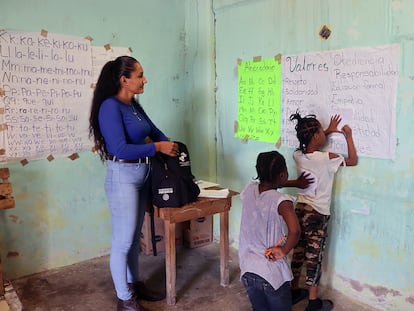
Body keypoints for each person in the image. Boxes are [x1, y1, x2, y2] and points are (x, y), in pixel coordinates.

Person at [89, 56, 178, 311]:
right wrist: (157, 147)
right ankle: (124, 299)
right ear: (124, 80)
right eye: (140, 75)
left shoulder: (134, 106)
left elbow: (155, 130)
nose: (144, 79)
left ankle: (134, 284)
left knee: (133, 237)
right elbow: (119, 148)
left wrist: (166, 142)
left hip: (142, 175)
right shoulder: (110, 107)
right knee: (123, 241)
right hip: (123, 178)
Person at [288, 111, 358, 311]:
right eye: (321, 131)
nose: (324, 133)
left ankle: (293, 291)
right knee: (314, 256)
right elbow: (352, 160)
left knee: (299, 251)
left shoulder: (297, 155)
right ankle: (313, 301)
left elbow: (310, 142)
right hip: (317, 213)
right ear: (317, 136)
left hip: (299, 210)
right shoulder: (326, 158)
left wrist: (326, 130)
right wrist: (348, 136)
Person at [239, 150, 302, 311]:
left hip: (247, 267)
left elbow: (268, 186)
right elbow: (295, 231)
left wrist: (293, 183)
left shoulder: (249, 189)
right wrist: (284, 250)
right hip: (270, 273)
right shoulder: (282, 202)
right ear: (282, 174)